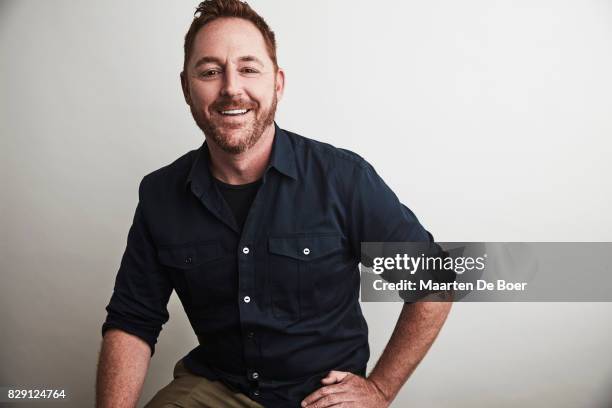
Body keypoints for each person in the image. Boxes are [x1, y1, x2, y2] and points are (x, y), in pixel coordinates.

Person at [96, 1, 452, 407]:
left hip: (320, 397)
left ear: (277, 83)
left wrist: (381, 389)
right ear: (186, 87)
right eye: (210, 71)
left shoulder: (341, 179)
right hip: (218, 388)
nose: (231, 87)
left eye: (249, 68)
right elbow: (132, 322)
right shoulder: (161, 195)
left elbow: (434, 280)